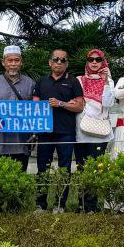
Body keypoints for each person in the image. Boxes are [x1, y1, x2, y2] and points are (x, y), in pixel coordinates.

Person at [33, 49, 84, 208]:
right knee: (42, 168)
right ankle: (40, 204)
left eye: (63, 60)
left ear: (67, 64)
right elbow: (34, 106)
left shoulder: (73, 82)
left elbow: (79, 106)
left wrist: (61, 103)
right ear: (50, 62)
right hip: (45, 132)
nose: (59, 62)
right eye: (56, 59)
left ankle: (60, 204)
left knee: (64, 169)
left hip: (66, 132)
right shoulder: (41, 82)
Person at [0, 45, 36, 168]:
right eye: (10, 60)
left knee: (20, 175)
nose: (13, 64)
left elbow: (35, 111)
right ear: (3, 62)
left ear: (21, 62)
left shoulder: (30, 83)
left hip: (20, 142)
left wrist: (34, 134)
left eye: (16, 60)